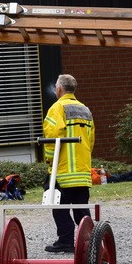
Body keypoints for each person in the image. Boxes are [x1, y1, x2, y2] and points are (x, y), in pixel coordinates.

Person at [42, 74, 95, 253]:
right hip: (82, 171)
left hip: (63, 170)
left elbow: (52, 138)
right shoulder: (85, 110)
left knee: (59, 206)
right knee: (81, 208)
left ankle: (65, 240)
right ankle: (89, 242)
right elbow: (91, 140)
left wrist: (51, 163)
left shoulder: (57, 109)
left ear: (59, 89)